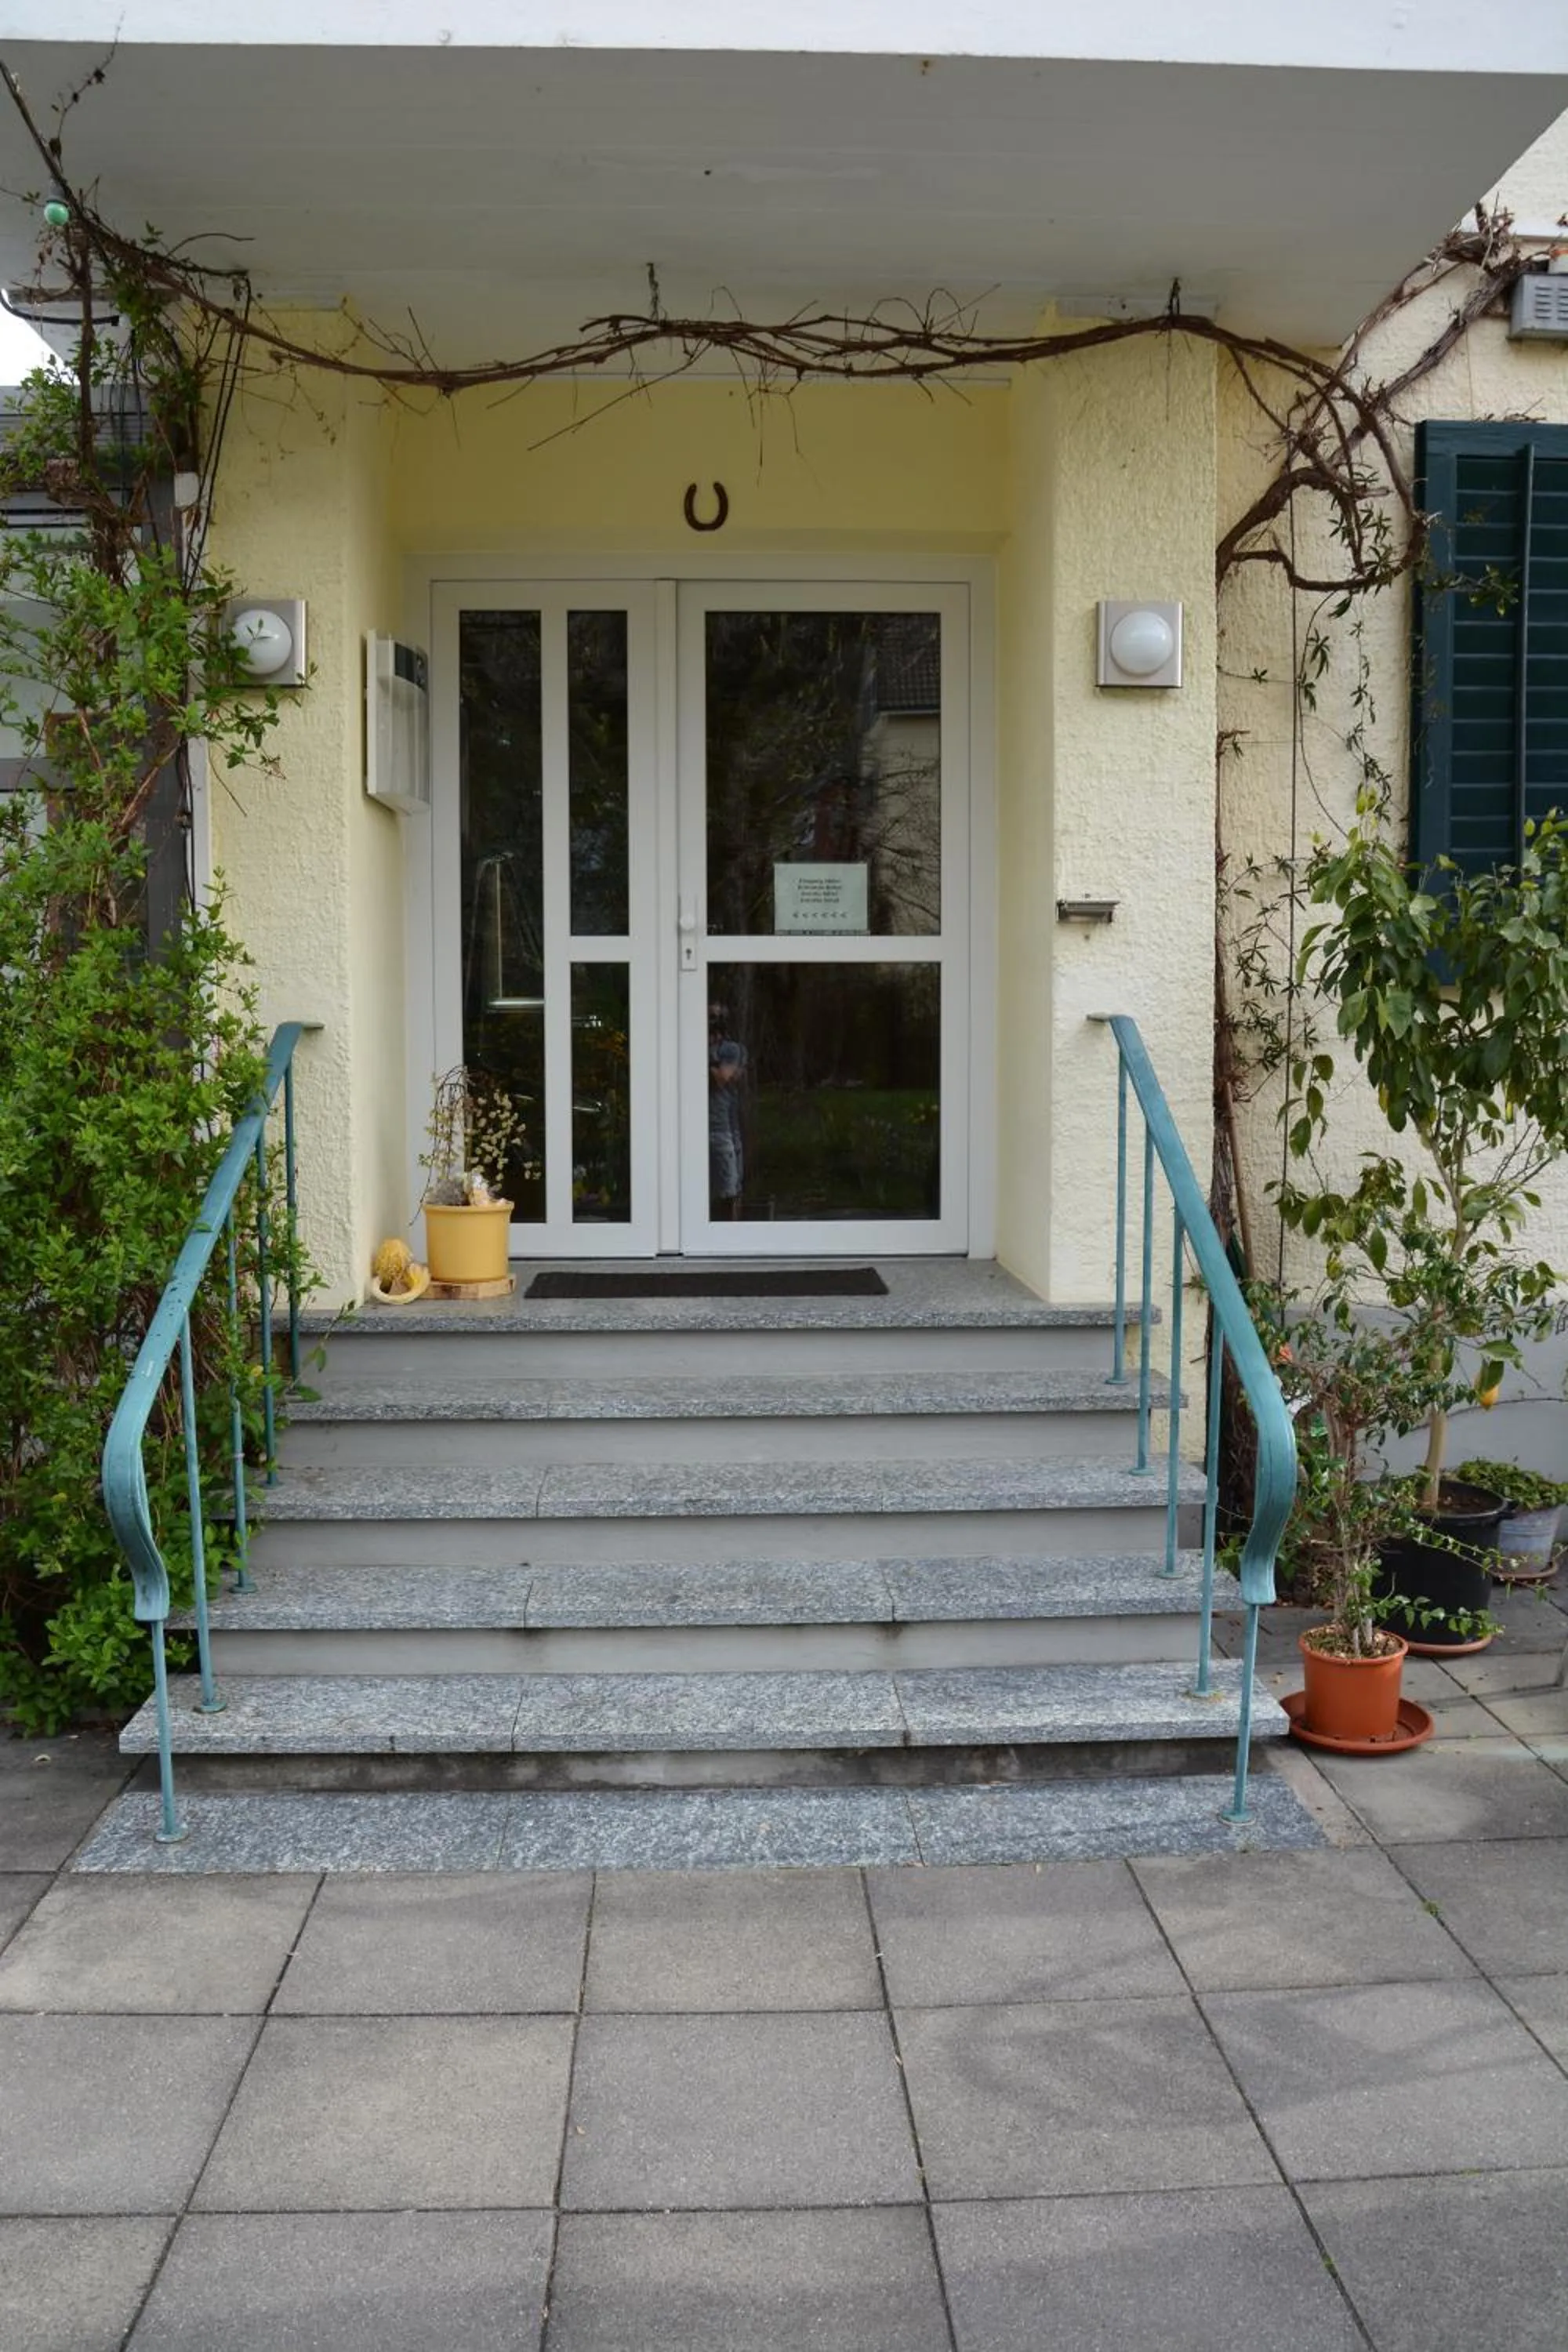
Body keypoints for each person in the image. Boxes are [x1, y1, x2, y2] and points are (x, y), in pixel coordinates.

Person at [708, 1003, 746, 1219]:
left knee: (730, 1189)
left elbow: (723, 1077)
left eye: (715, 1017)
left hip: (724, 1129)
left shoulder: (731, 1049)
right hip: (695, 1127)